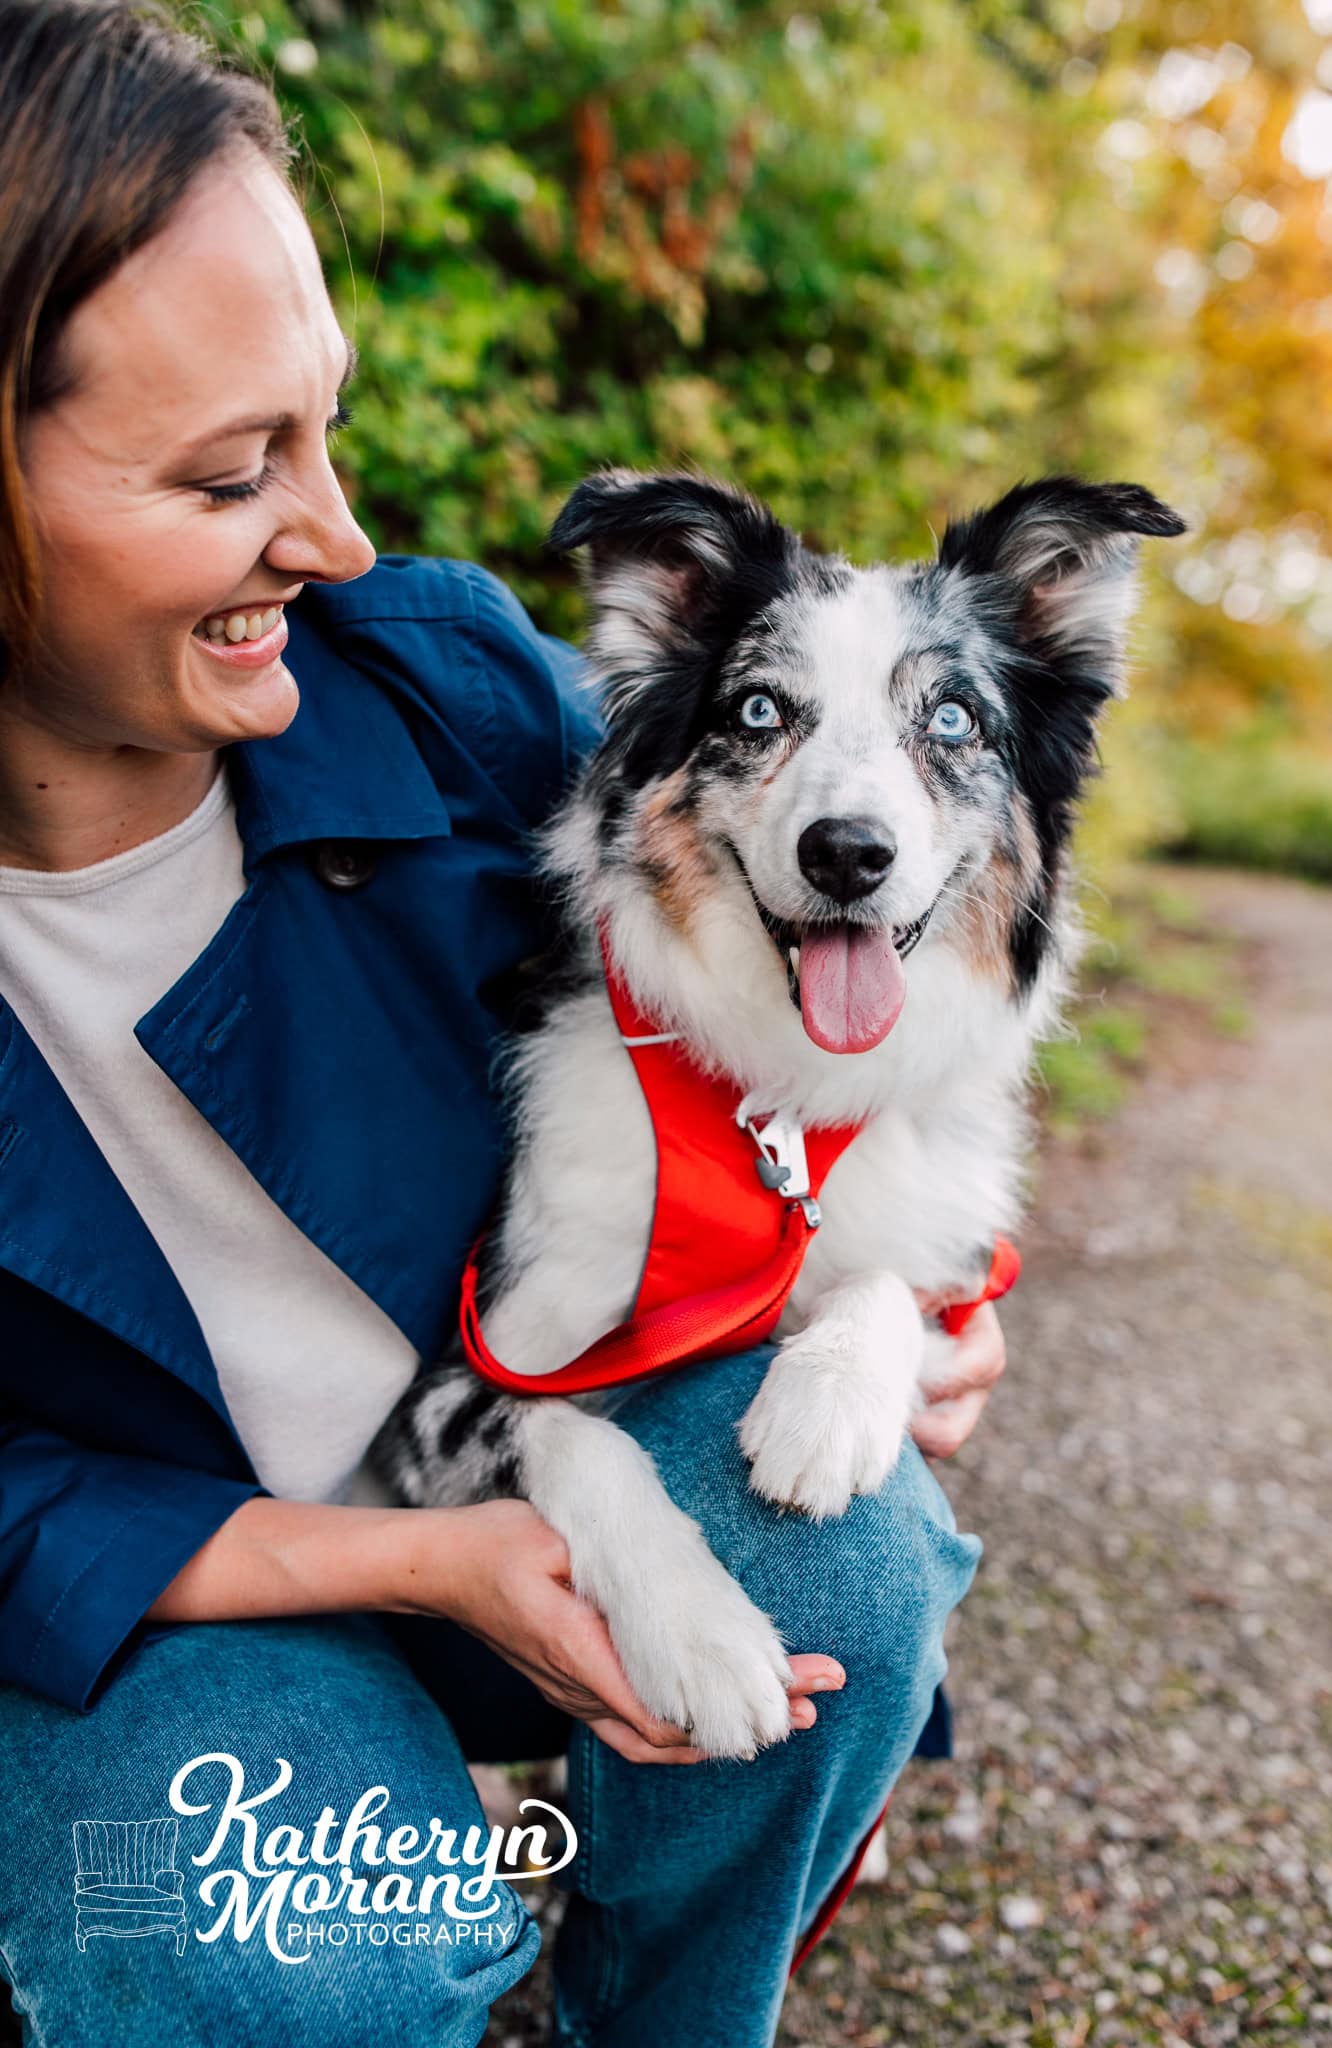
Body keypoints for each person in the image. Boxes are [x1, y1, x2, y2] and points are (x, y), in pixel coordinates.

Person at [0, 5, 1005, 2044]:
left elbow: (829, 975)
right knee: (270, 1944)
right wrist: (399, 1572)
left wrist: (902, 1284)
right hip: (167, 1605)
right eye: (229, 472)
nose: (339, 534)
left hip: (550, 1443)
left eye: (323, 424)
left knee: (847, 1572)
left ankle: (660, 1991)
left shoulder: (442, 690)